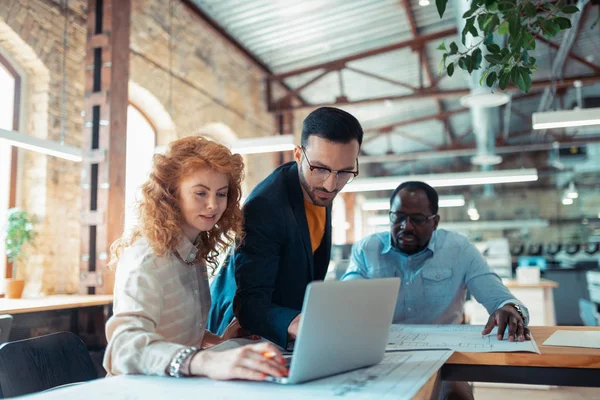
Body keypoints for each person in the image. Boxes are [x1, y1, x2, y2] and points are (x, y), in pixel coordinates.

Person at [103, 136, 287, 380]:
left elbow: (177, 334)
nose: (213, 205)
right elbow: (124, 348)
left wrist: (220, 342)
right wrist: (205, 360)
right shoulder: (148, 258)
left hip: (175, 387)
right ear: (171, 194)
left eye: (221, 194)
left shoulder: (192, 251)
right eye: (200, 193)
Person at [342, 181, 530, 400]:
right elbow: (347, 297)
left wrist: (512, 309)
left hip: (444, 359)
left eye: (418, 219)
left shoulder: (459, 250)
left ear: (435, 222)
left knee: (455, 397)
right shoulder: (367, 250)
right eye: (399, 217)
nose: (406, 226)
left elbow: (507, 301)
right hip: (381, 356)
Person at [209, 107, 363, 349]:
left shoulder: (319, 189)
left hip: (288, 334)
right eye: (320, 168)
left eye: (344, 172)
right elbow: (249, 304)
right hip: (239, 336)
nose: (332, 185)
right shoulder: (266, 207)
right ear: (299, 155)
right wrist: (297, 323)